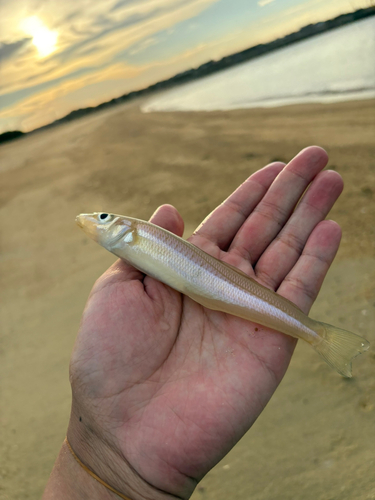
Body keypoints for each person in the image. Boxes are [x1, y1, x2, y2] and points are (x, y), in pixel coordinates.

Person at [43, 146, 343, 499]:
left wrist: (112, 470)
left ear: (125, 227)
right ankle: (316, 334)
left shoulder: (136, 236)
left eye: (104, 216)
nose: (96, 220)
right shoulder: (129, 246)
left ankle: (316, 334)